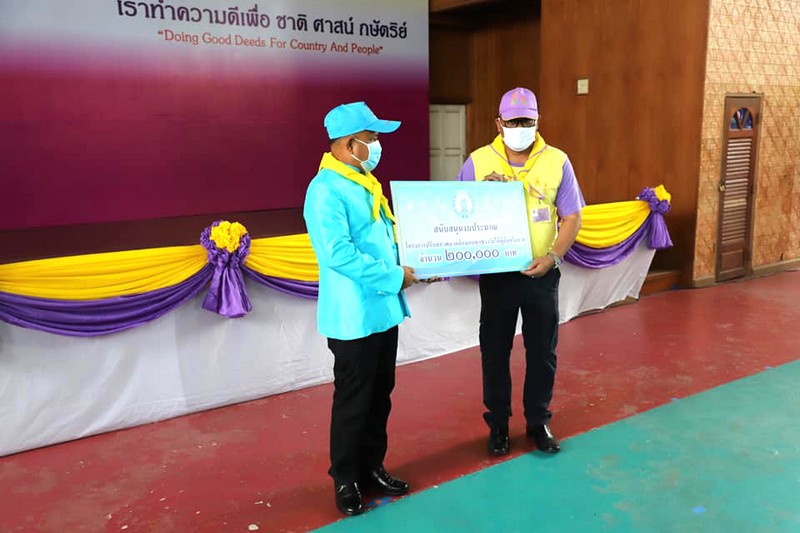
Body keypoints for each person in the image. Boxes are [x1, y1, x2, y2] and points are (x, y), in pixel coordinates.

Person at [303, 101, 419, 516]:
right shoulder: (325, 190)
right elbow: (337, 254)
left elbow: (383, 238)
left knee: (380, 394)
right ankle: (346, 478)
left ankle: (372, 467)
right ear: (350, 144)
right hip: (353, 315)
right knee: (354, 399)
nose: (377, 145)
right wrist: (394, 276)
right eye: (372, 138)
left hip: (382, 310)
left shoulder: (363, 180)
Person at [456, 87, 585, 456]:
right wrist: (481, 196)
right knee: (494, 352)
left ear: (538, 121)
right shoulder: (477, 162)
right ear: (498, 124)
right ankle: (498, 425)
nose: (519, 128)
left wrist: (553, 257)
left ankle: (538, 421)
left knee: (542, 351)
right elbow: (458, 213)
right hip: (497, 274)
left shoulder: (557, 161)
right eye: (513, 122)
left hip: (542, 272)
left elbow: (572, 216)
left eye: (526, 121)